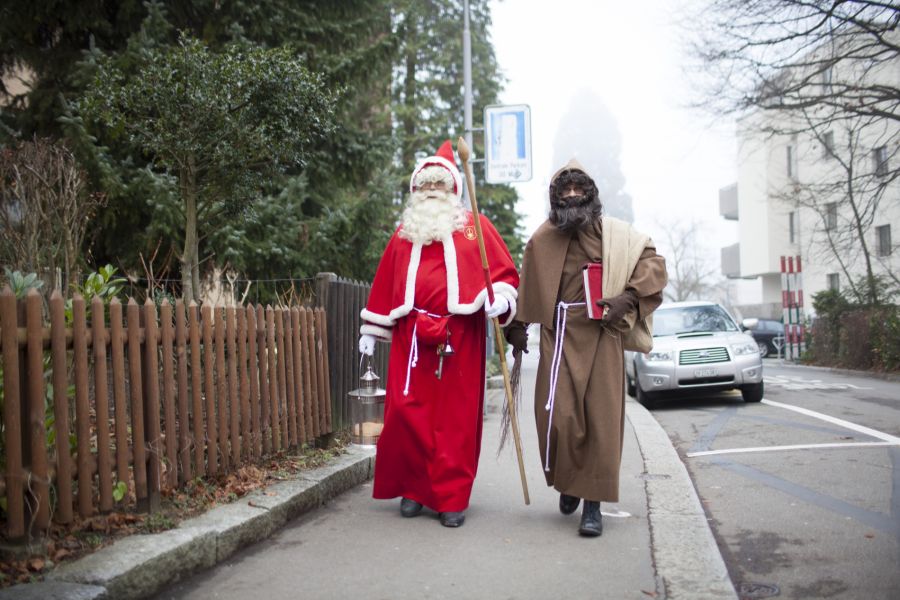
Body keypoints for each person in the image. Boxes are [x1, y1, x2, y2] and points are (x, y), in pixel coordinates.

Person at [358, 140, 519, 528]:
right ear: (416, 191)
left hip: (459, 338)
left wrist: (500, 299)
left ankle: (450, 498)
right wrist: (372, 328)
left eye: (439, 185)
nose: (432, 191)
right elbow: (384, 285)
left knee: (454, 422)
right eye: (425, 185)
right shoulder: (403, 234)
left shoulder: (474, 228)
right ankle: (413, 490)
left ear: (453, 190)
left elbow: (503, 273)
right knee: (407, 415)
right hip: (411, 339)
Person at [505, 158, 667, 537]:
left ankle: (591, 505)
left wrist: (628, 297)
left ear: (591, 195)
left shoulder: (615, 236)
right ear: (556, 197)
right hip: (558, 337)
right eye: (566, 190)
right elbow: (527, 282)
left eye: (579, 189)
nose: (573, 195)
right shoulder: (542, 239)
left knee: (599, 422)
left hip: (602, 336)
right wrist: (516, 328)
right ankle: (568, 482)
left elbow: (654, 264)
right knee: (559, 419)